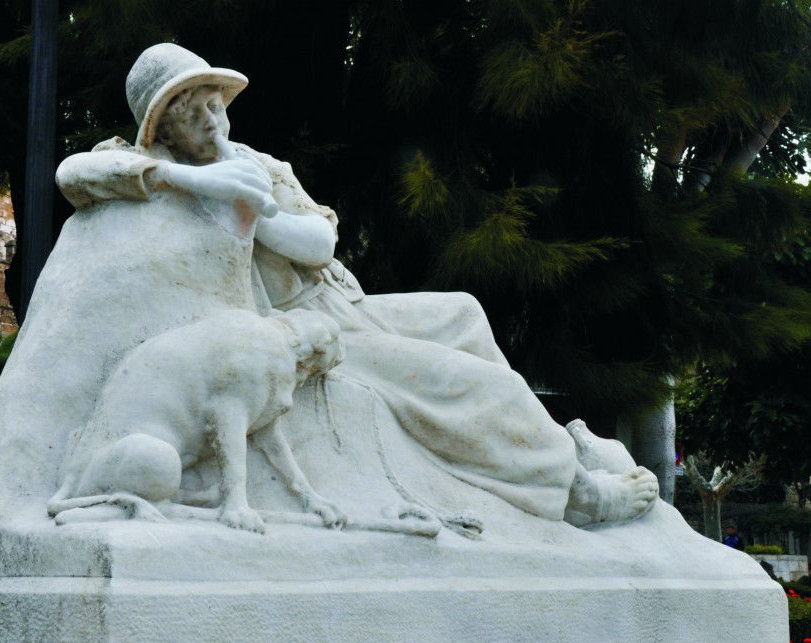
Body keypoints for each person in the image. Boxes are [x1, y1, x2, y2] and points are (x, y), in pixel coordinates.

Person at [55, 43, 660, 526]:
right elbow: (75, 173)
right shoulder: (162, 170)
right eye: (192, 114)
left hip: (343, 301)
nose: (212, 121)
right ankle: (576, 492)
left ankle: (542, 443)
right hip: (301, 331)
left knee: (465, 313)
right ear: (162, 130)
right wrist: (200, 184)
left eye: (215, 104)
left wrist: (257, 205)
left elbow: (320, 244)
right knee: (466, 386)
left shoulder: (259, 165)